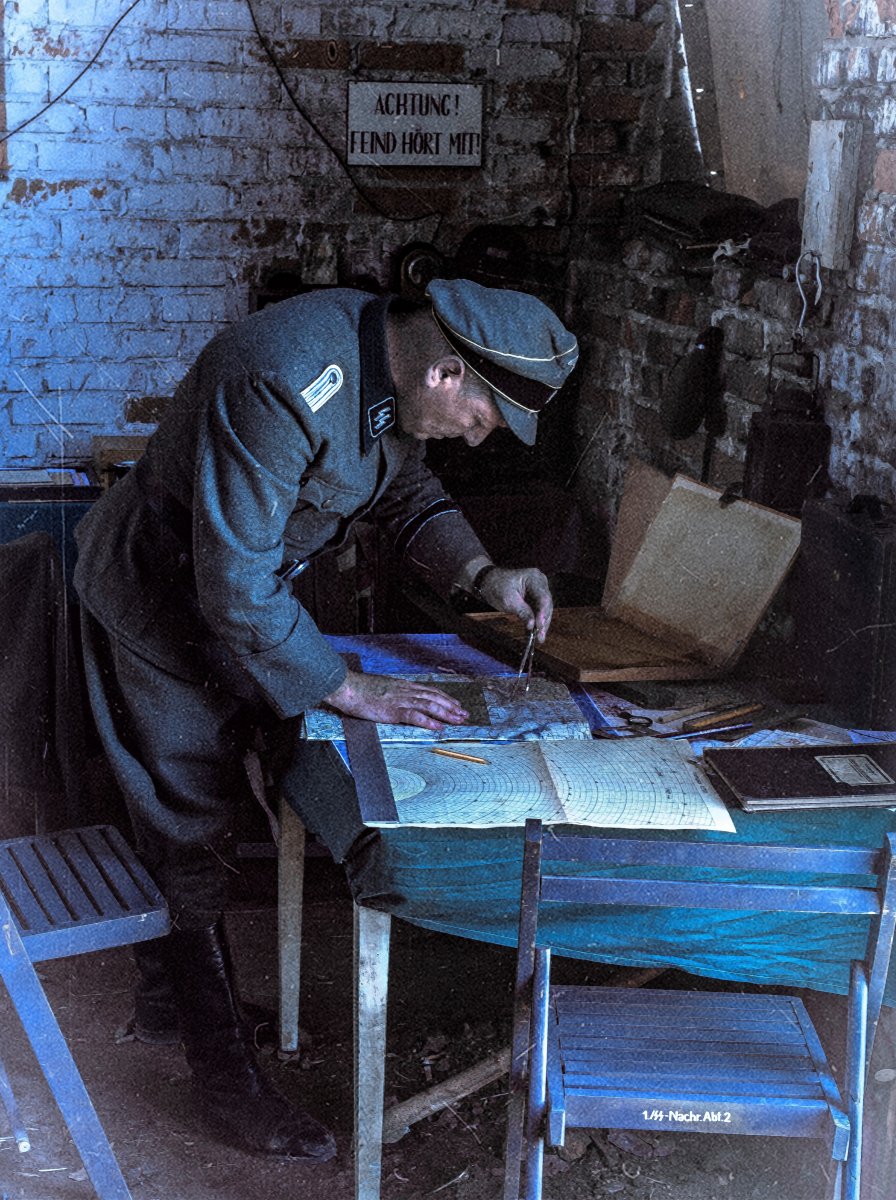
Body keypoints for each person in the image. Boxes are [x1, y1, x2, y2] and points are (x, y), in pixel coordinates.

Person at [73, 277, 578, 1161]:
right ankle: (224, 1083)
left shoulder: (391, 370)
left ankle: (167, 1002)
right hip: (157, 598)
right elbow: (235, 585)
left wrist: (484, 575)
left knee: (217, 799)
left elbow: (403, 494)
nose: (477, 437)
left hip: (237, 608)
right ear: (447, 374)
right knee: (189, 819)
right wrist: (346, 687)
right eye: (482, 419)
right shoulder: (284, 376)